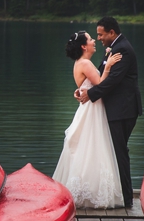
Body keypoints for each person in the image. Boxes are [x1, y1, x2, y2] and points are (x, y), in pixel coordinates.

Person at [52, 29, 126, 209]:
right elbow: (101, 84)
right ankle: (90, 191)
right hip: (92, 109)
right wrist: (108, 66)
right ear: (84, 46)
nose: (94, 41)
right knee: (92, 146)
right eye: (91, 39)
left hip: (89, 108)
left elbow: (88, 85)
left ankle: (88, 189)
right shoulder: (85, 63)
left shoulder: (81, 62)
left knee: (87, 148)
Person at [75, 16, 142, 209]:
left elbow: (113, 81)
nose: (99, 38)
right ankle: (121, 194)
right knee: (115, 151)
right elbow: (99, 75)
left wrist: (91, 95)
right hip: (117, 108)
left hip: (123, 109)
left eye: (101, 34)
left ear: (112, 32)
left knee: (119, 152)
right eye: (96, 35)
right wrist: (82, 90)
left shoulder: (123, 50)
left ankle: (127, 199)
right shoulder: (116, 47)